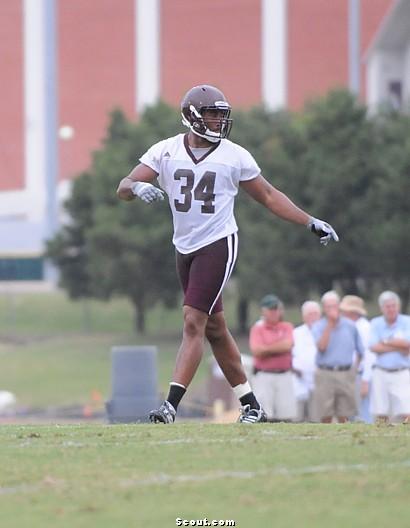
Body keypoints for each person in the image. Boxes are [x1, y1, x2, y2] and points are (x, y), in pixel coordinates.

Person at [116, 84, 338, 424]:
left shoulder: (233, 155)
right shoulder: (166, 150)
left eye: (222, 116)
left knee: (193, 321)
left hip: (218, 243)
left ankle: (170, 406)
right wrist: (138, 186)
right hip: (184, 246)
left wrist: (309, 222)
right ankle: (252, 405)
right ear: (192, 116)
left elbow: (267, 195)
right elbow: (124, 186)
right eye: (212, 116)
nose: (219, 123)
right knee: (215, 329)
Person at [311, 290, 364, 423]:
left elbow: (360, 351)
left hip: (346, 373)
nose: (331, 310)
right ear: (324, 309)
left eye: (334, 306)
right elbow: (322, 347)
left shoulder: (350, 326)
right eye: (328, 307)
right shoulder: (318, 326)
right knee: (325, 413)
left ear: (339, 306)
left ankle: (344, 438)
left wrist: (354, 370)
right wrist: (330, 325)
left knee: (345, 414)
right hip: (325, 373)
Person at [249, 294, 297, 422]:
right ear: (263, 311)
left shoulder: (286, 326)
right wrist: (278, 347)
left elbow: (287, 345)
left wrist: (267, 348)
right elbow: (257, 351)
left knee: (286, 414)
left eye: (277, 309)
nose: (275, 312)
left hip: (284, 374)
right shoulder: (257, 328)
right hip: (264, 375)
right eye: (271, 309)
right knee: (265, 413)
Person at [369, 291, 410, 423]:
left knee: (405, 409)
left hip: (401, 371)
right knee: (380, 411)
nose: (391, 309)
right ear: (382, 308)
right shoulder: (376, 323)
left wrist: (385, 341)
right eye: (387, 306)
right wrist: (399, 346)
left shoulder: (407, 321)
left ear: (398, 306)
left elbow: (408, 344)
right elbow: (374, 347)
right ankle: (380, 438)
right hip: (381, 371)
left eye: (393, 305)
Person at [340, 294, 375, 423]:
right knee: (348, 411)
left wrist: (365, 381)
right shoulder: (347, 325)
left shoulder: (365, 327)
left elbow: (369, 356)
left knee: (363, 410)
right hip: (347, 374)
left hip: (360, 374)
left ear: (353, 312)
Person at [292, 300, 321, 422]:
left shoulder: (325, 332)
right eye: (310, 314)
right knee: (297, 417)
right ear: (304, 316)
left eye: (316, 313)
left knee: (317, 418)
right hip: (298, 380)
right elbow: (290, 355)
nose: (313, 317)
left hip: (319, 380)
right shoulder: (296, 333)